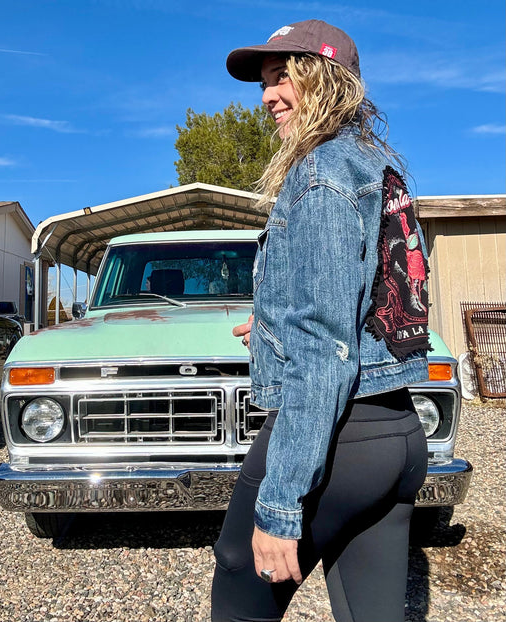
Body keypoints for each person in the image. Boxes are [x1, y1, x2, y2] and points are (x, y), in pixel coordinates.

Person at [211, 19, 431, 622]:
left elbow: (325, 350)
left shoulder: (321, 175)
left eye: (283, 76)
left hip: (343, 439)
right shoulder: (376, 168)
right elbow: (370, 301)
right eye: (264, 82)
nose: (267, 96)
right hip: (397, 435)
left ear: (327, 79)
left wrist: (282, 507)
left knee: (240, 587)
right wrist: (274, 324)